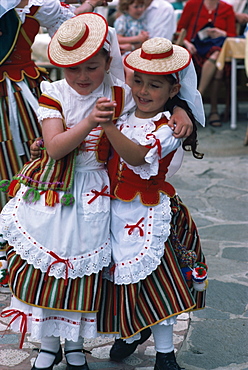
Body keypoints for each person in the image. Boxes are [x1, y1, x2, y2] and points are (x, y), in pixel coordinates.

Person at [0, 12, 136, 370]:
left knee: (82, 267)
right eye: (73, 69)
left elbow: (159, 101)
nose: (82, 77)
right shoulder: (55, 93)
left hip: (95, 189)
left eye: (92, 67)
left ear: (109, 61)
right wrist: (91, 121)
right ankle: (48, 344)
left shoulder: (121, 94)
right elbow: (56, 146)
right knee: (51, 265)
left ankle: (74, 344)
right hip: (55, 190)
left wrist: (182, 109)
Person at [95, 37, 208, 370]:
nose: (143, 91)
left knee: (156, 279)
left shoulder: (169, 128)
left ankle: (164, 353)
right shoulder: (130, 108)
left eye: (154, 85)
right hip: (115, 210)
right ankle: (131, 332)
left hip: (147, 214)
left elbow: (137, 156)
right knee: (120, 277)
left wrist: (108, 127)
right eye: (138, 81)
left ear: (173, 90)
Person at [0, 0, 112, 292]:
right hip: (19, 90)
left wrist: (88, 5)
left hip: (23, 92)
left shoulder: (38, 4)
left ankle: (16, 247)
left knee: (26, 155)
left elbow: (72, 32)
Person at [177, 0, 237, 127]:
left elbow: (233, 36)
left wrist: (222, 33)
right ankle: (213, 110)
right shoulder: (192, 5)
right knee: (217, 66)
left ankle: (198, 97)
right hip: (195, 48)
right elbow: (180, 30)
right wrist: (187, 43)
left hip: (217, 50)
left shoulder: (227, 9)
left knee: (217, 58)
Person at [114, 0, 149, 85]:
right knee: (131, 72)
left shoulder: (141, 21)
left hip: (137, 51)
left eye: (141, 6)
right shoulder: (122, 20)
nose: (140, 10)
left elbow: (143, 42)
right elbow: (117, 39)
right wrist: (137, 38)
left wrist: (143, 39)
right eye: (136, 7)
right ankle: (127, 95)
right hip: (124, 54)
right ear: (126, 8)